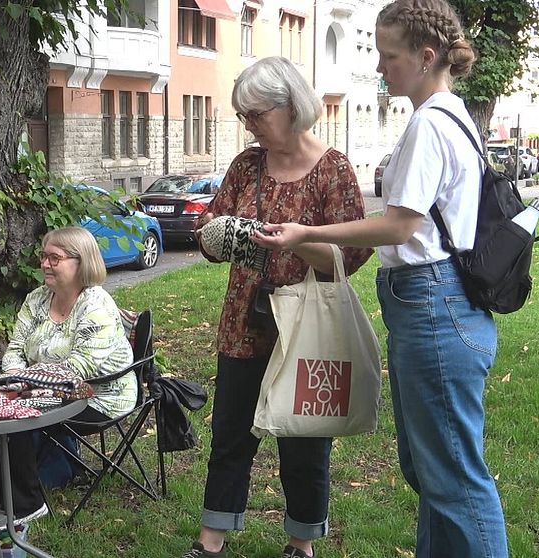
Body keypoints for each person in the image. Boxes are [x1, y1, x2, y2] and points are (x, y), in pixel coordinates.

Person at [253, 1, 509, 556]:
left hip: (434, 303)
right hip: (438, 302)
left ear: (425, 56)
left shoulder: (430, 124)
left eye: (388, 56)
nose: (379, 66)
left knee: (456, 480)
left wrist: (305, 235)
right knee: (433, 474)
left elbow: (399, 226)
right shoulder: (453, 115)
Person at [183, 56, 373, 558]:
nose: (250, 126)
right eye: (243, 117)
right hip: (245, 320)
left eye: (257, 115)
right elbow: (209, 229)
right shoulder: (247, 165)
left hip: (307, 327)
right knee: (231, 434)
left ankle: (301, 544)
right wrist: (223, 237)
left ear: (291, 106)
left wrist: (293, 242)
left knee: (305, 439)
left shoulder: (332, 170)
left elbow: (350, 257)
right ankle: (211, 541)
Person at [0, 226, 135, 524]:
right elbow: (15, 349)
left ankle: (27, 504)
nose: (44, 264)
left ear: (82, 263)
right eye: (43, 256)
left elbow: (79, 368)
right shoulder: (37, 299)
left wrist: (24, 388)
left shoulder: (97, 304)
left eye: (54, 258)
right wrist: (16, 378)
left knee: (15, 414)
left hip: (98, 396)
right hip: (44, 389)